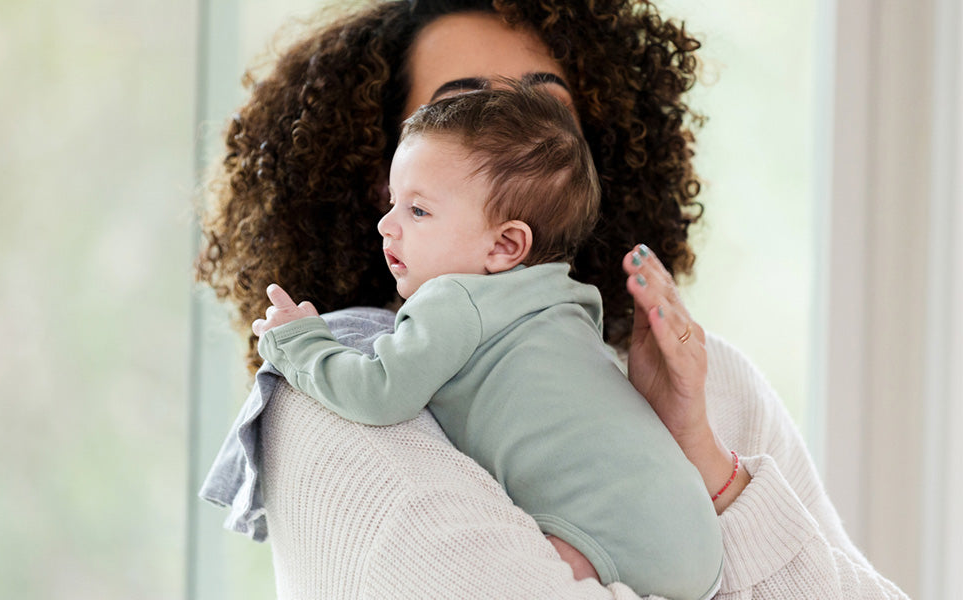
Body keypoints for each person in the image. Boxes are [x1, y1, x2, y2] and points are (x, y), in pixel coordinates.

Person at [197, 0, 910, 597]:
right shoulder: (323, 400)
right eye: (463, 112)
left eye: (542, 110)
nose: (510, 131)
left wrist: (706, 457)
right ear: (379, 169)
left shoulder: (708, 379)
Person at [250, 86, 724, 599]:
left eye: (418, 211)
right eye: (393, 203)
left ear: (505, 244)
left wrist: (300, 342)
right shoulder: (571, 300)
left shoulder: (455, 298)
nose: (386, 226)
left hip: (602, 535)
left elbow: (378, 391)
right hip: (697, 533)